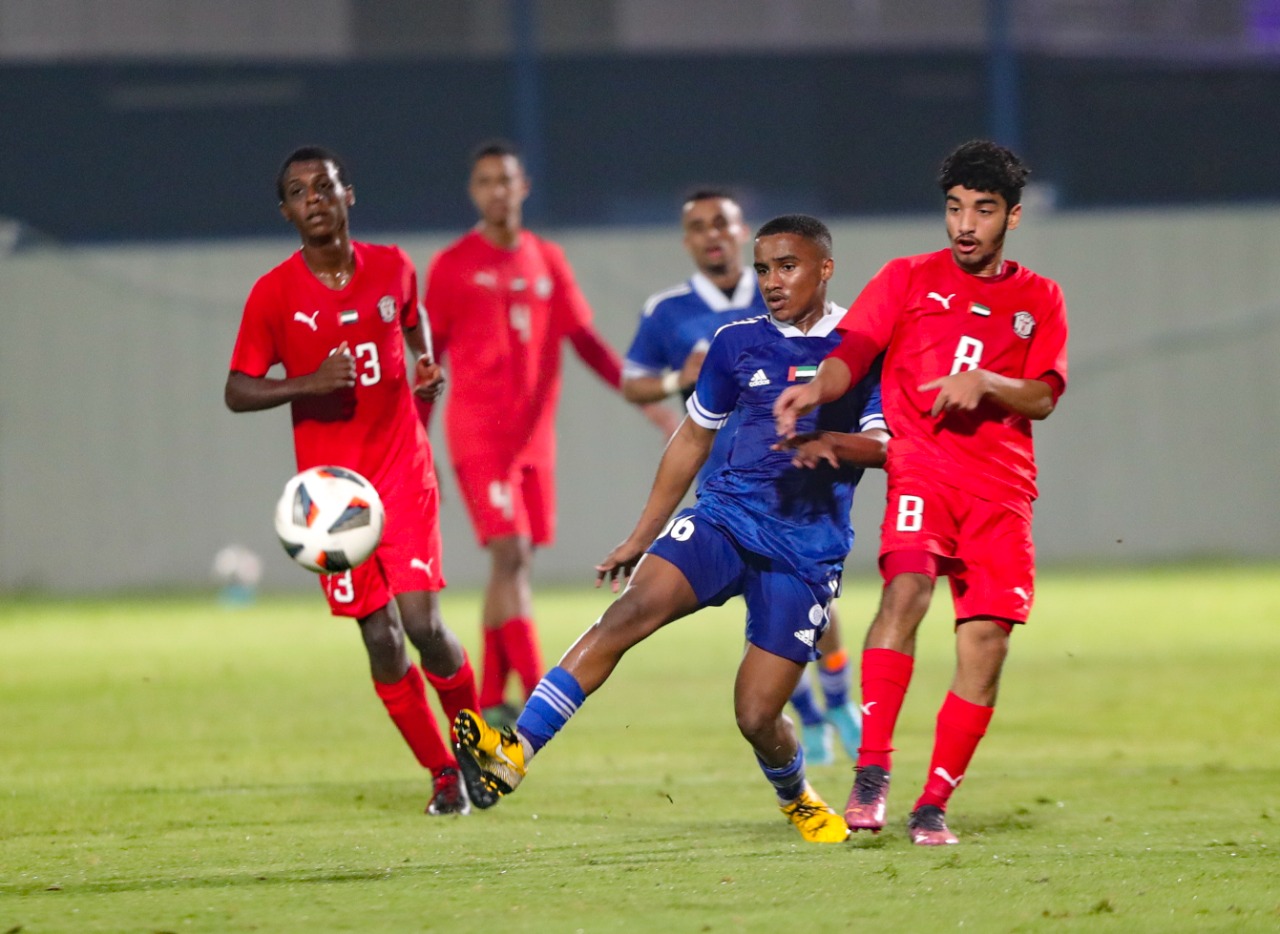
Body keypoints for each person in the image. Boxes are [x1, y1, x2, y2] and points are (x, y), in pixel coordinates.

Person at [452, 215, 889, 843]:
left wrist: (833, 444)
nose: (771, 281)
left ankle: (796, 796)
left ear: (825, 268)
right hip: (724, 519)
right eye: (763, 269)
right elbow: (691, 440)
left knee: (756, 714)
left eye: (786, 266)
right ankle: (515, 750)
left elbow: (886, 446)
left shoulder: (862, 346)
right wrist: (640, 537)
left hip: (804, 550)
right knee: (628, 612)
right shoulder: (736, 343)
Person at [774, 140, 1069, 846]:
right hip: (923, 470)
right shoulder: (907, 277)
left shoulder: (1040, 298)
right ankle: (872, 768)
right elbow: (852, 352)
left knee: (986, 644)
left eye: (983, 210)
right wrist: (817, 389)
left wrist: (988, 382)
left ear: (1012, 217)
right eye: (955, 208)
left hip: (1001, 492)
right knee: (905, 591)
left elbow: (1044, 395)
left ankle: (933, 803)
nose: (965, 224)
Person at [225, 146, 480, 816]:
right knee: (382, 640)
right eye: (298, 191)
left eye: (324, 185)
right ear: (286, 212)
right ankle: (442, 774)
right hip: (331, 498)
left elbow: (412, 318)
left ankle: (477, 749)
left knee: (423, 624)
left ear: (348, 195)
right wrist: (309, 382)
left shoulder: (393, 266)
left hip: (401, 469)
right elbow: (236, 390)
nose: (313, 198)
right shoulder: (274, 293)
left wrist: (425, 362)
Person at [622, 189, 864, 766]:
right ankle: (808, 721)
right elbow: (634, 381)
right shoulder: (668, 310)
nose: (711, 235)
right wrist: (675, 382)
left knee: (815, 609)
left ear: (739, 230)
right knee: (759, 616)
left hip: (796, 488)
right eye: (698, 226)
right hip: (726, 485)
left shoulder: (784, 293)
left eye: (721, 223)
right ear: (687, 239)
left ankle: (839, 703)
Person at [418, 140, 628, 730]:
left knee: (512, 566)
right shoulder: (453, 265)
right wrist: (418, 441)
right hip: (478, 435)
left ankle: (490, 695)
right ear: (473, 192)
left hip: (534, 439)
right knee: (509, 555)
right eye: (485, 181)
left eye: (505, 180)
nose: (497, 190)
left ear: (523, 187)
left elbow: (586, 343)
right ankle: (539, 694)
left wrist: (645, 401)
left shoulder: (546, 260)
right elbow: (429, 362)